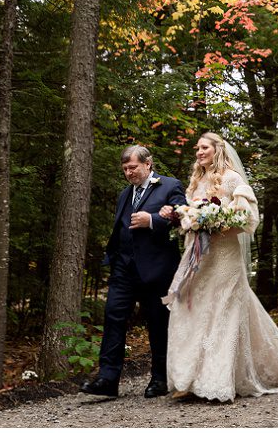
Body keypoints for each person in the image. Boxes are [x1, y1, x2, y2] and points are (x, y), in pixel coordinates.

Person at [159, 132, 278, 402]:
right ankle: (190, 378)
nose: (199, 152)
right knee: (194, 312)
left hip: (224, 256)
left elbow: (247, 218)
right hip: (199, 257)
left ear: (217, 150)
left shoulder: (233, 179)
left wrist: (215, 222)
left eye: (204, 148)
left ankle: (216, 381)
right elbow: (189, 218)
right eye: (197, 148)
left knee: (221, 312)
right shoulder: (196, 182)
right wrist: (180, 216)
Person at [81, 145, 186, 399]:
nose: (129, 173)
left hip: (157, 269)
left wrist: (151, 221)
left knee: (158, 323)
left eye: (133, 167)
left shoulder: (170, 186)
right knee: (113, 317)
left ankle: (160, 379)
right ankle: (108, 378)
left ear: (148, 164)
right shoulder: (124, 195)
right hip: (124, 269)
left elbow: (183, 216)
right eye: (125, 168)